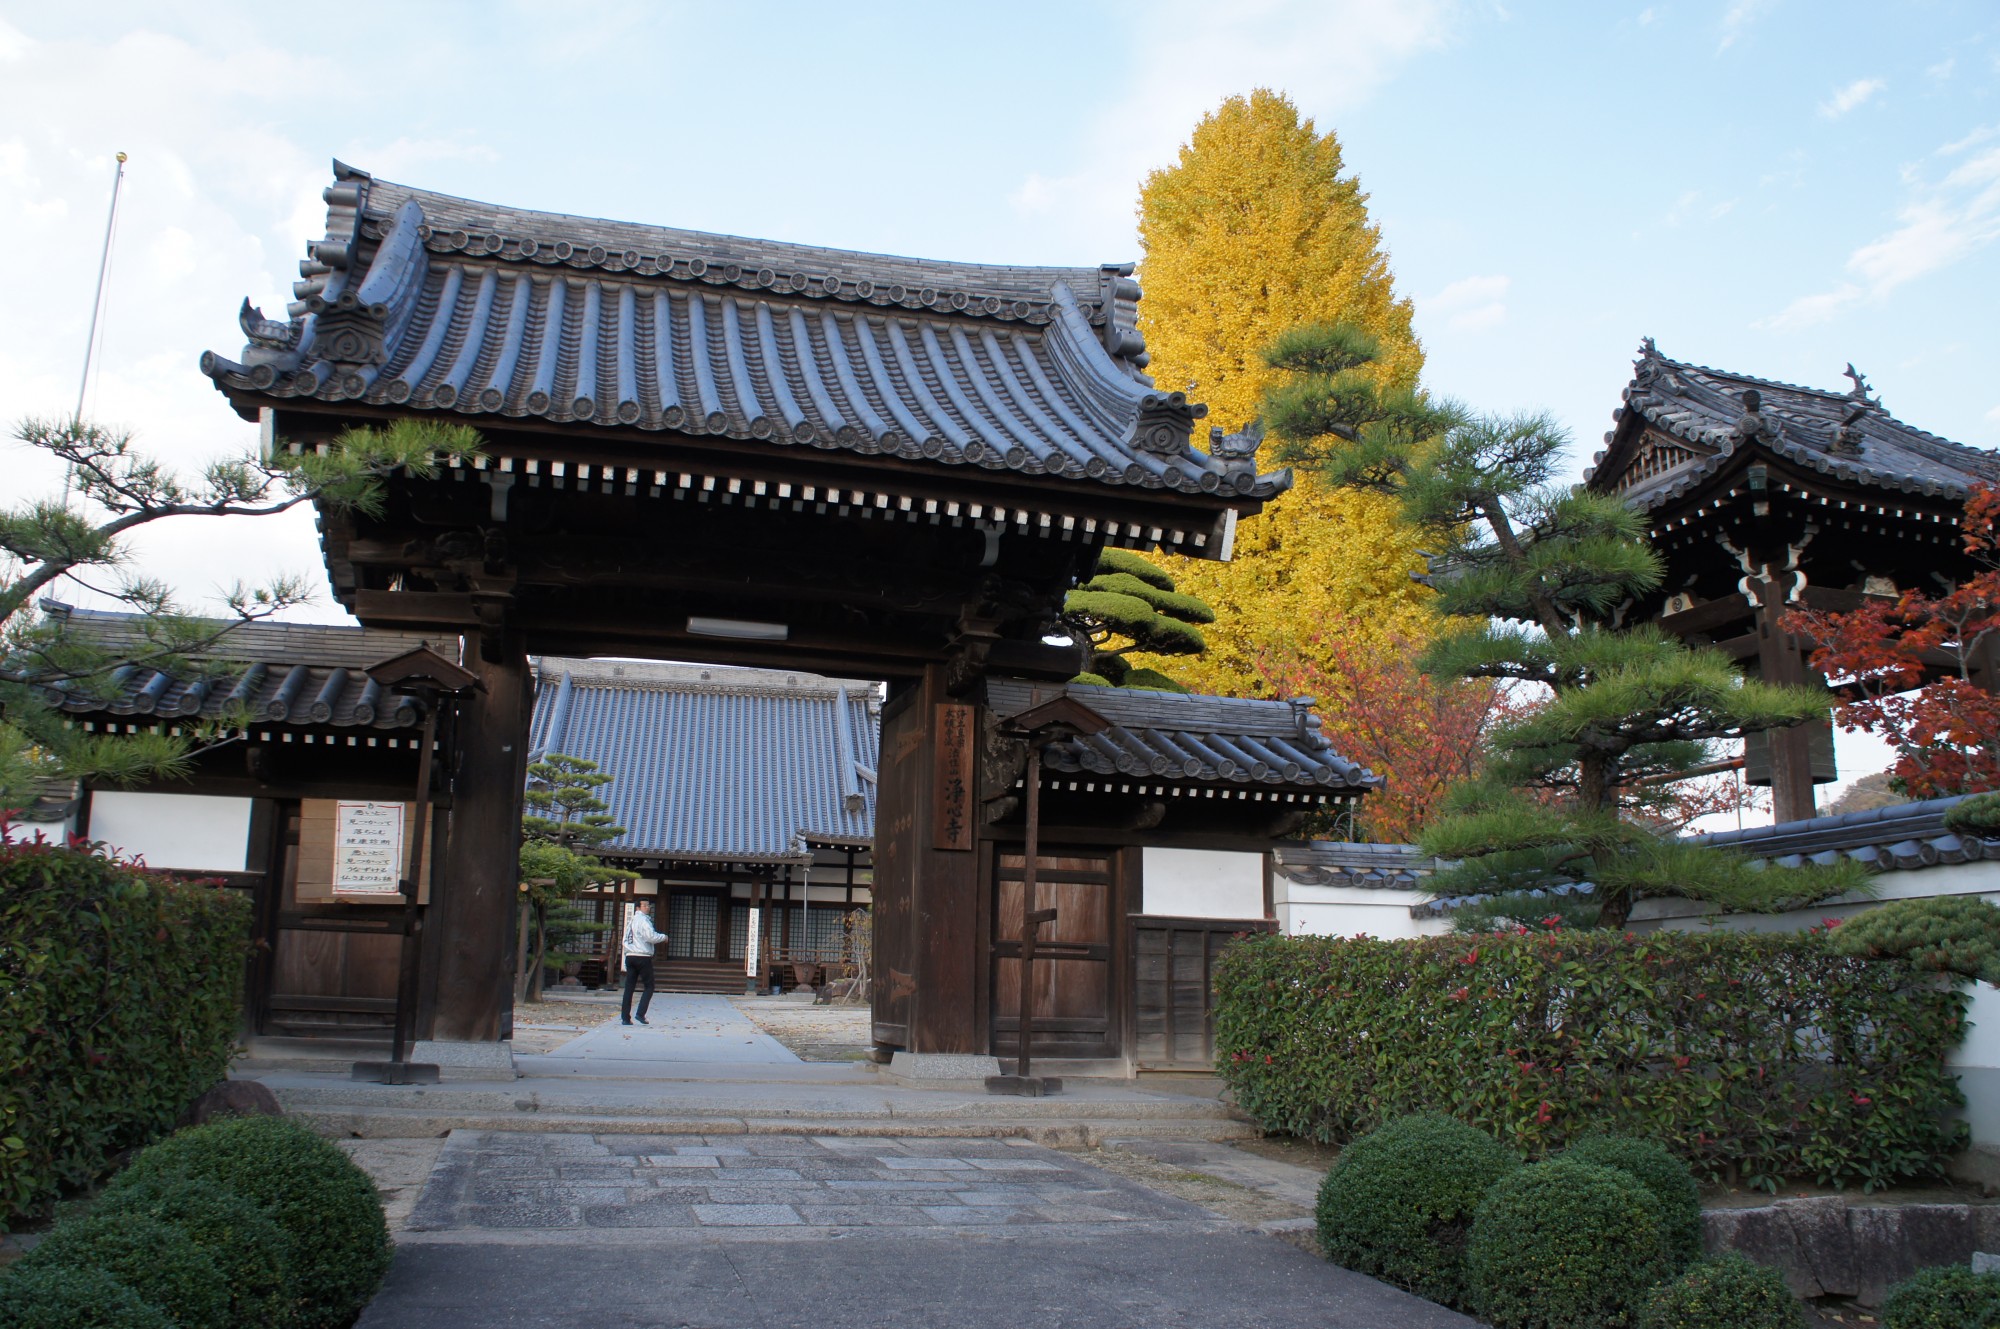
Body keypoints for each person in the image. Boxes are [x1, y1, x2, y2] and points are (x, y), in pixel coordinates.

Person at [620, 899, 665, 1025]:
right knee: (649, 986)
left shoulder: (631, 922)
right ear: (637, 908)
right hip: (642, 956)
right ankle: (640, 1014)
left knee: (629, 987)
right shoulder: (643, 920)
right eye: (644, 905)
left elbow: (625, 940)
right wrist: (663, 937)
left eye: (648, 905)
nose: (647, 907)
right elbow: (650, 936)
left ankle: (625, 1017)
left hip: (630, 955)